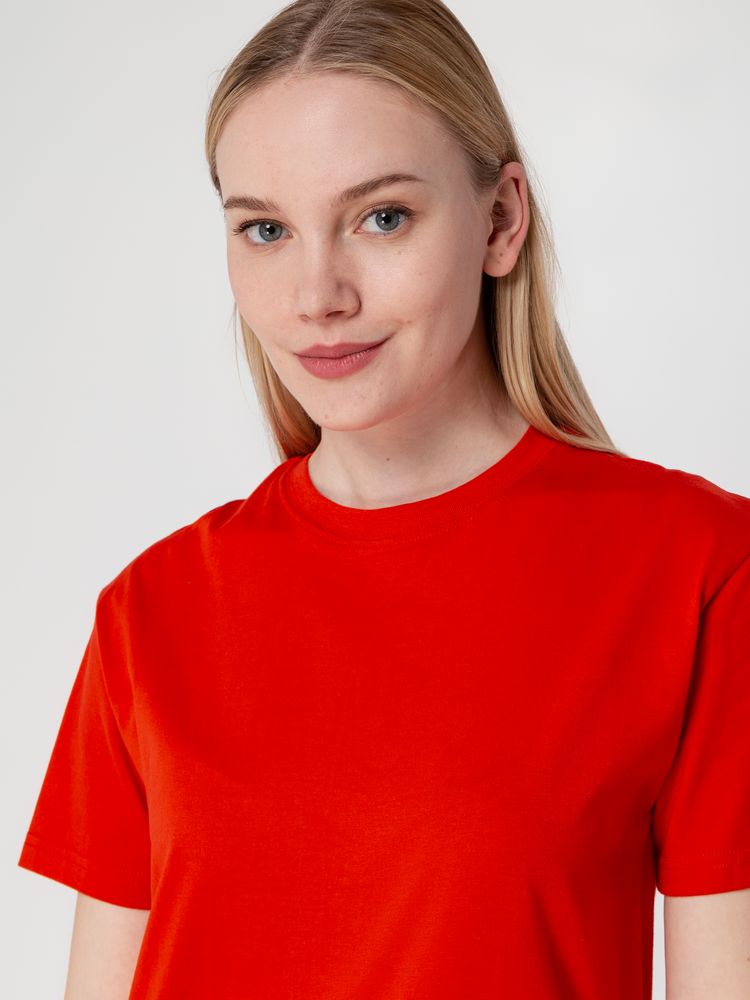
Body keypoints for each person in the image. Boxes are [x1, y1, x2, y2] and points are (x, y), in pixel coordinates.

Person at [17, 1, 750, 997]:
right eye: (266, 229)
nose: (318, 294)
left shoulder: (697, 569)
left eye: (383, 217)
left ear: (501, 221)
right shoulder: (152, 611)